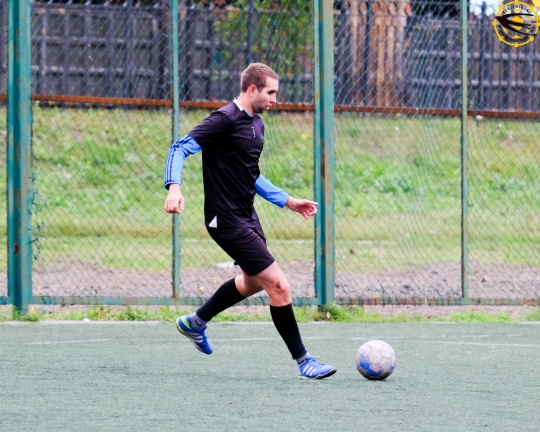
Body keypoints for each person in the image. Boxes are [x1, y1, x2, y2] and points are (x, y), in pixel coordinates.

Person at [163, 63, 336, 379]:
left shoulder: (256, 124)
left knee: (253, 282)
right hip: (225, 220)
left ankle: (195, 322)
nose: (275, 100)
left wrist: (288, 201)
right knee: (279, 286)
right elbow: (179, 148)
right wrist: (174, 187)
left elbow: (250, 174)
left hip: (247, 216)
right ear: (252, 89)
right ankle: (304, 362)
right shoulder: (224, 120)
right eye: (271, 92)